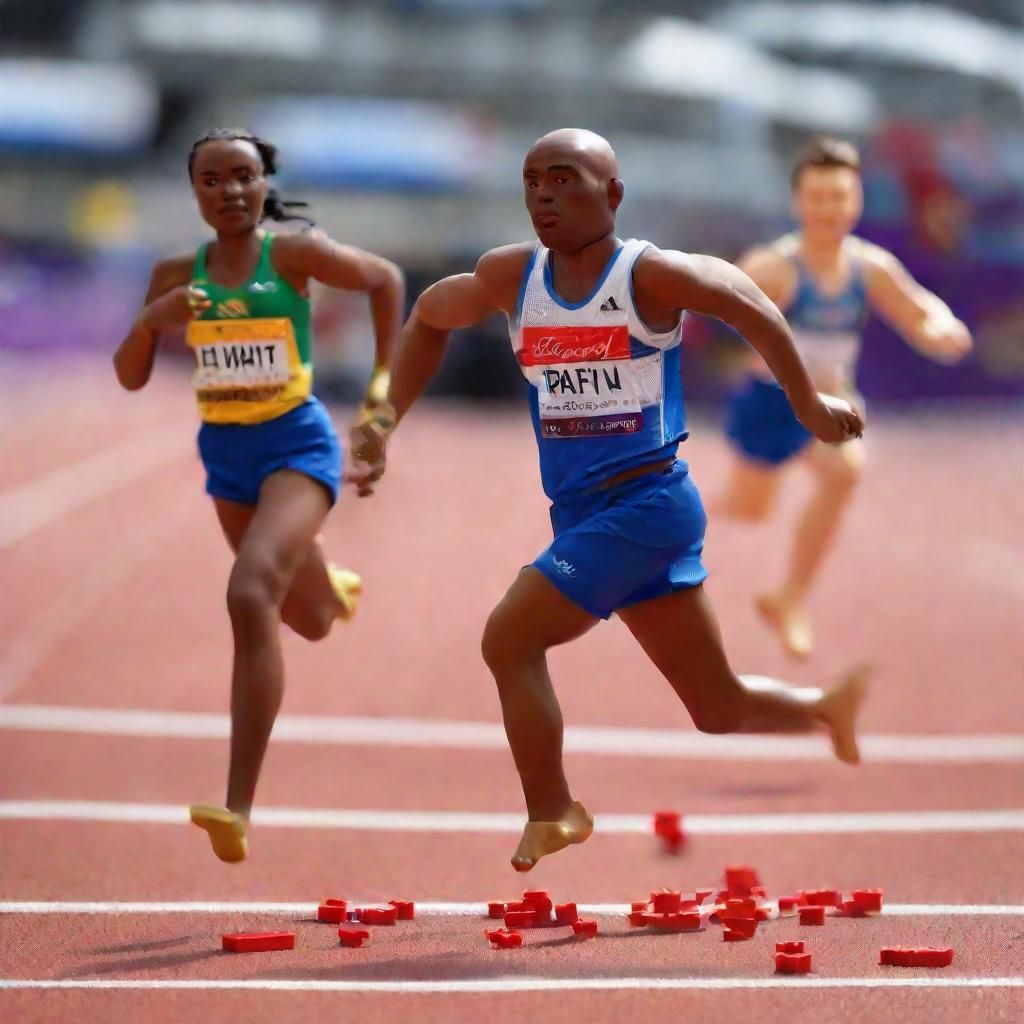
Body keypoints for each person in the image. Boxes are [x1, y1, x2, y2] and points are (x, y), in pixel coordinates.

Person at [351, 128, 868, 874]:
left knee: (509, 640)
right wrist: (381, 419)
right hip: (589, 516)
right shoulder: (512, 278)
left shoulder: (645, 277)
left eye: (565, 180)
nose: (544, 197)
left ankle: (552, 808)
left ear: (613, 194)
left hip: (648, 506)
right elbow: (431, 316)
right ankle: (823, 708)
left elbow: (745, 301)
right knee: (716, 708)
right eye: (533, 182)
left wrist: (806, 401)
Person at [113, 129, 404, 862]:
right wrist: (154, 318)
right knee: (306, 619)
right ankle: (330, 586)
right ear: (195, 190)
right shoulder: (177, 272)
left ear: (262, 182)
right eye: (212, 180)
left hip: (295, 447)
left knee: (250, 596)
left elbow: (385, 279)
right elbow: (130, 375)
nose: (229, 191)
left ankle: (237, 805)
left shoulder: (293, 256)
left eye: (242, 177)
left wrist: (379, 387)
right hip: (226, 457)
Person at [719, 137, 972, 659]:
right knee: (746, 510)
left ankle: (790, 597)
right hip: (771, 404)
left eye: (840, 196)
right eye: (818, 197)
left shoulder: (868, 267)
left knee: (846, 470)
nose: (830, 209)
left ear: (857, 200)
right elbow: (710, 299)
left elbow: (916, 309)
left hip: (831, 402)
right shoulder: (773, 268)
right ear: (799, 204)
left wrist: (941, 330)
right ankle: (647, 524)